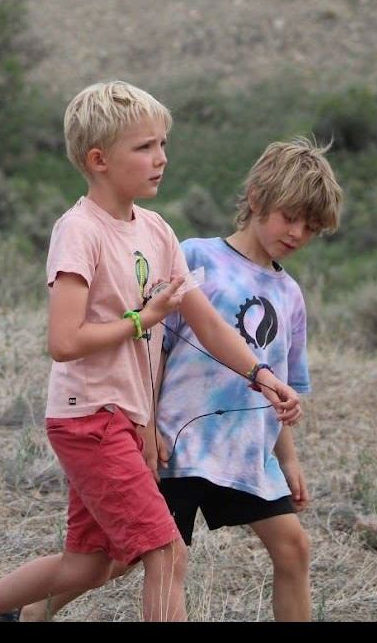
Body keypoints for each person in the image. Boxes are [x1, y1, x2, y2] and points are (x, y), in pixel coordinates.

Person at [0, 80, 301, 622]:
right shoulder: (79, 231)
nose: (160, 159)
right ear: (98, 159)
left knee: (91, 564)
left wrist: (261, 373)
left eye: (162, 144)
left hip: (124, 418)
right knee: (166, 552)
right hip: (88, 418)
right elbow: (64, 342)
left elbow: (207, 324)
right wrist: (143, 319)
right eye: (144, 148)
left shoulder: (158, 230)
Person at [152, 137, 342, 621]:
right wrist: (147, 423)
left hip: (247, 453)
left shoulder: (291, 294)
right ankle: (30, 609)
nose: (298, 233)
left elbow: (285, 385)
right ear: (257, 198)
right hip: (179, 444)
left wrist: (289, 458)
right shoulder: (196, 256)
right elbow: (155, 349)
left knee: (294, 548)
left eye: (311, 226)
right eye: (289, 216)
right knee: (122, 562)